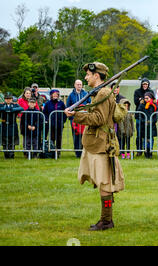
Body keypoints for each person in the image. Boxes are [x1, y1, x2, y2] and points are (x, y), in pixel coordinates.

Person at [64, 61, 124, 231]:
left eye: (88, 75)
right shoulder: (100, 92)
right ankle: (106, 219)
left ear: (96, 75)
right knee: (103, 182)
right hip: (97, 143)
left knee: (104, 182)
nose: (85, 77)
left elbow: (98, 119)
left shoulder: (103, 92)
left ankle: (106, 221)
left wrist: (76, 116)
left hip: (101, 144)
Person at [66, 80, 91, 158]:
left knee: (85, 135)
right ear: (74, 85)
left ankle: (84, 151)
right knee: (76, 135)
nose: (79, 86)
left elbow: (90, 104)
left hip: (84, 118)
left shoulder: (86, 94)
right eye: (78, 84)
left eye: (80, 84)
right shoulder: (71, 95)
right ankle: (77, 152)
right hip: (74, 119)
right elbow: (68, 106)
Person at [43, 89, 67, 157]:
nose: (55, 96)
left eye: (57, 94)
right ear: (51, 95)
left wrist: (63, 121)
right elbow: (45, 113)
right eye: (54, 94)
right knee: (52, 138)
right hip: (51, 125)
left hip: (59, 124)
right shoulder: (48, 103)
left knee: (59, 139)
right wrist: (47, 120)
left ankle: (58, 152)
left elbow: (65, 113)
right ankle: (52, 152)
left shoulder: (61, 103)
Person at [0, 92, 24, 159]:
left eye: (9, 99)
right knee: (5, 142)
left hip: (12, 125)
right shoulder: (2, 105)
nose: (8, 100)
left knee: (12, 141)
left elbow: (21, 109)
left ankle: (11, 155)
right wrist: (4, 109)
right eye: (7, 99)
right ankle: (6, 155)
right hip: (4, 125)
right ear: (4, 99)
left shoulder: (14, 105)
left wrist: (12, 110)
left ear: (11, 99)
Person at [137, 91, 158, 159]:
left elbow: (156, 115)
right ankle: (146, 151)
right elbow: (139, 114)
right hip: (144, 125)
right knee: (145, 139)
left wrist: (152, 121)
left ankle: (150, 151)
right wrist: (143, 121)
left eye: (147, 98)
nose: (146, 99)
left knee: (151, 139)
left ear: (151, 98)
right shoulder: (142, 105)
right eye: (145, 98)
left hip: (152, 125)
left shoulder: (154, 105)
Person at [133, 78, 151, 156]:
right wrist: (141, 100)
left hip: (148, 116)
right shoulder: (137, 91)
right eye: (143, 84)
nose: (145, 85)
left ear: (148, 84)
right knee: (139, 134)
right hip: (139, 116)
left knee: (148, 135)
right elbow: (136, 101)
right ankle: (139, 150)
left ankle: (148, 150)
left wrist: (142, 99)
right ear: (141, 84)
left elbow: (153, 101)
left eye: (146, 84)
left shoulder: (150, 92)